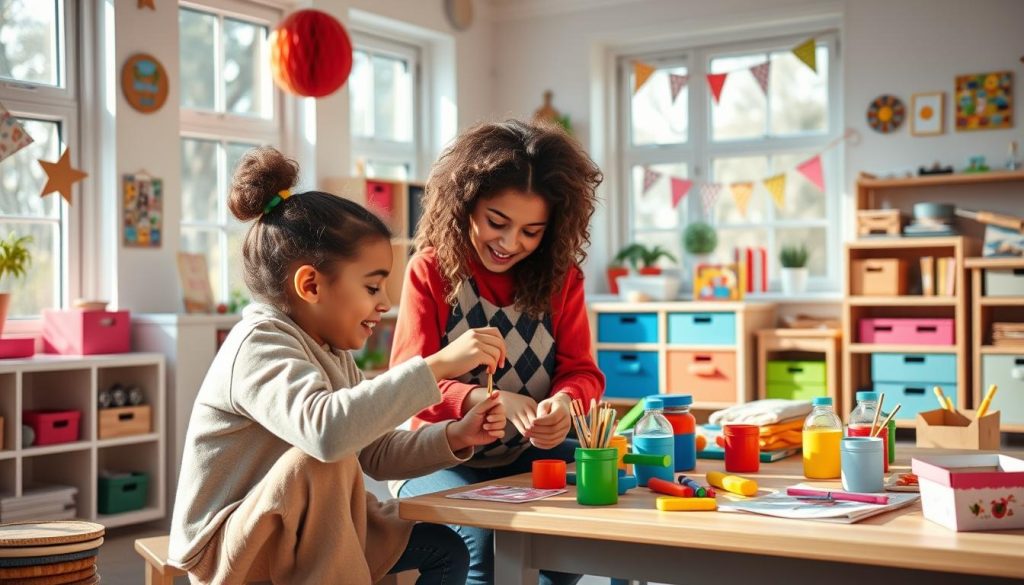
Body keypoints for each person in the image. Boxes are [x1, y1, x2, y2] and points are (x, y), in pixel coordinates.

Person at [168, 146, 509, 585]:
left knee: (445, 549)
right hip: (234, 547)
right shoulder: (259, 343)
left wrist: (455, 434)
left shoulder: (331, 351)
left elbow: (375, 451)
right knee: (319, 459)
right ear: (310, 285)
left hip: (298, 528)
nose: (384, 304)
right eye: (372, 287)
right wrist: (437, 365)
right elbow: (326, 434)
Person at [392, 120, 606, 585]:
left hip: (523, 455)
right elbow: (406, 383)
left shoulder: (561, 278)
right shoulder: (431, 270)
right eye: (497, 222)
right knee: (484, 543)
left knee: (584, 523)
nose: (510, 244)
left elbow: (582, 372)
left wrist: (567, 404)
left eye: (532, 231)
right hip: (436, 458)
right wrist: (478, 403)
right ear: (465, 204)